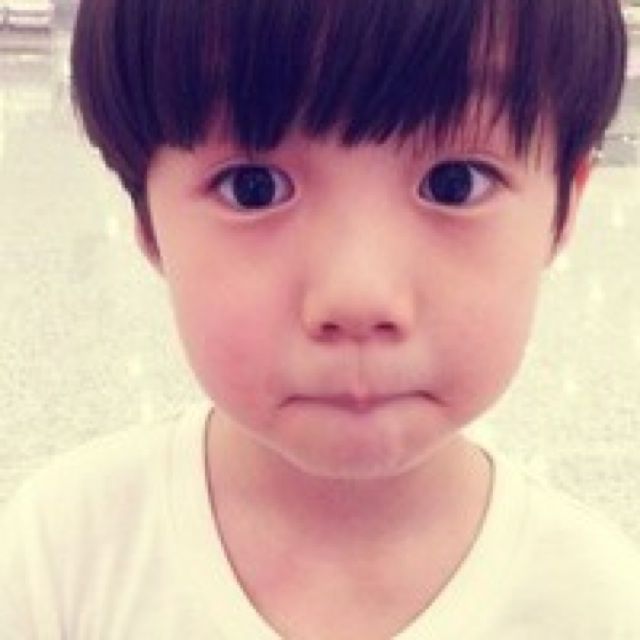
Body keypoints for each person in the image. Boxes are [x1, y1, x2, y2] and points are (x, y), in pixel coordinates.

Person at [2, 0, 639, 637]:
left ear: (563, 208)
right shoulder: (60, 563)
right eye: (252, 187)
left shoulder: (598, 605)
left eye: (456, 183)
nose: (358, 297)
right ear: (147, 223)